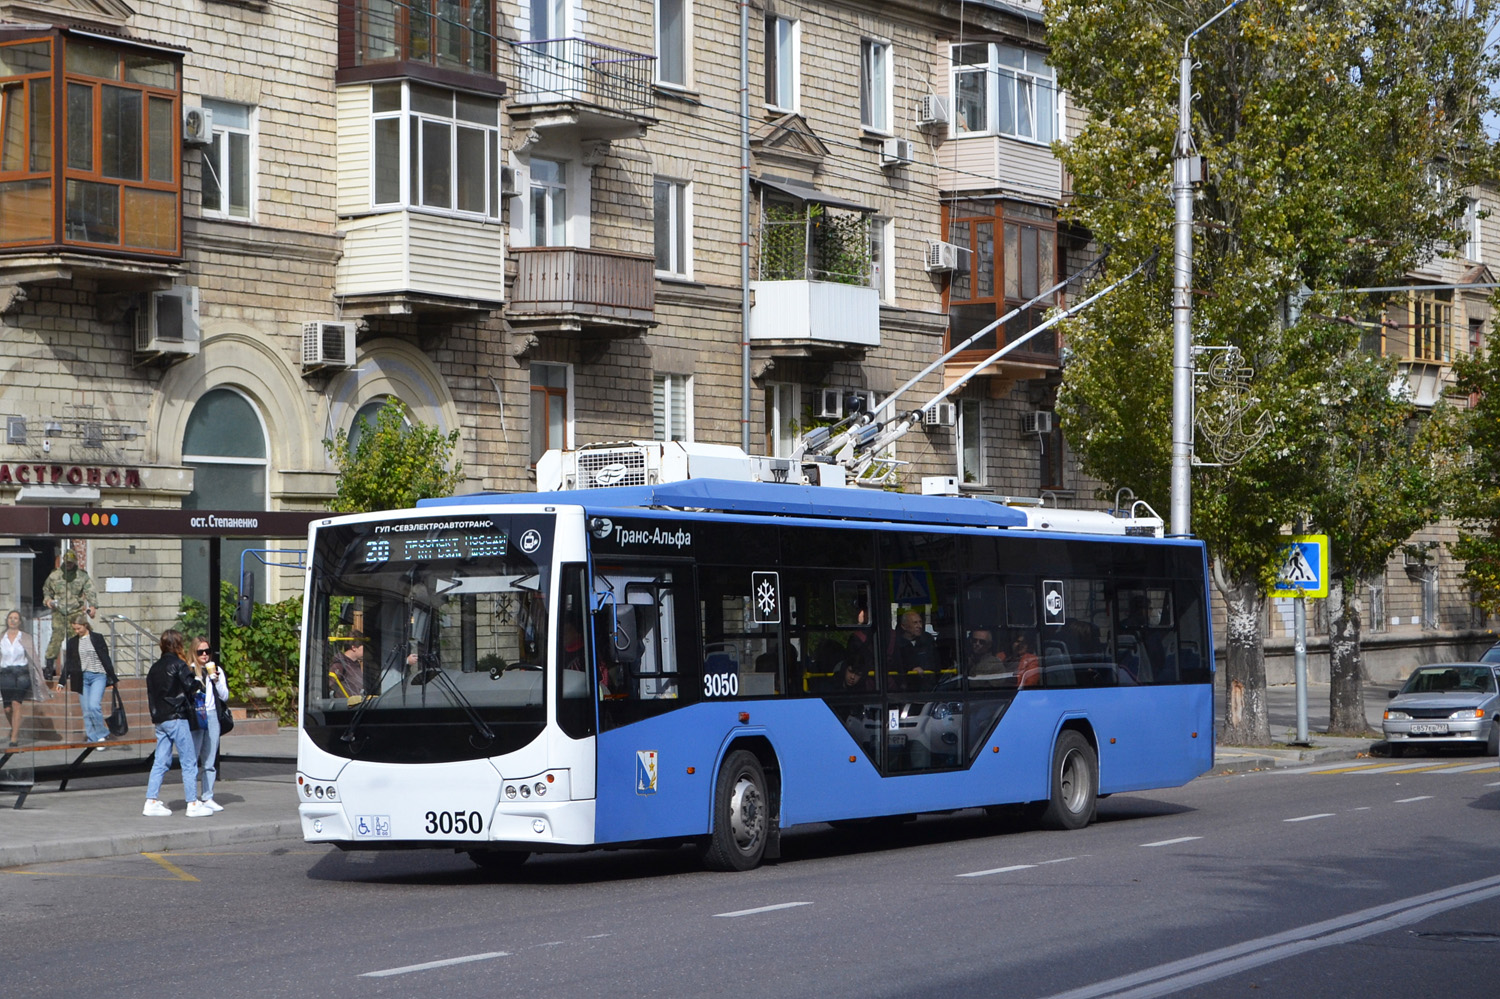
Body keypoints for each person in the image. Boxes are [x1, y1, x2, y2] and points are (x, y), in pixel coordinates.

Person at [143, 629, 207, 818]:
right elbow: (191, 687)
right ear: (178, 644)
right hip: (177, 717)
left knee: (160, 761)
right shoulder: (179, 665)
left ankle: (151, 801)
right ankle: (192, 803)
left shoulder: (154, 668)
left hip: (160, 719)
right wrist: (198, 680)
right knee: (188, 761)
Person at [58, 613, 116, 745]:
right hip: (82, 678)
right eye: (74, 629)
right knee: (86, 710)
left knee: (94, 706)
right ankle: (92, 738)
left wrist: (112, 678)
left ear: (85, 625)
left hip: (98, 675)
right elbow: (69, 662)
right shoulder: (73, 642)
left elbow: (105, 658)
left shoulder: (97, 638)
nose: (76, 631)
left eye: (78, 628)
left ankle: (101, 734)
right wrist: (62, 681)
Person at [42, 550, 97, 678]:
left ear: (75, 562)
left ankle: (73, 667)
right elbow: (46, 590)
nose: (69, 565)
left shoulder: (82, 576)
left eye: (71, 563)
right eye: (67, 562)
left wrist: (93, 606)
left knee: (77, 639)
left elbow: (90, 590)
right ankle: (49, 667)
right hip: (59, 611)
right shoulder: (55, 575)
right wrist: (48, 600)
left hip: (75, 611)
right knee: (56, 638)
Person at [190, 637, 229, 813]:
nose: (205, 655)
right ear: (194, 653)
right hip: (197, 715)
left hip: (212, 714)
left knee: (210, 759)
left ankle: (207, 796)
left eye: (208, 651)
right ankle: (192, 797)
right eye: (200, 652)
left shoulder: (216, 670)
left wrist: (216, 681)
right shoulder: (190, 670)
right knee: (193, 758)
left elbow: (225, 696)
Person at [2, 610, 49, 748]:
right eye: (10, 618)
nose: (13, 620)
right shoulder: (2, 637)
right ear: (7, 620)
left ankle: (14, 739)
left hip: (22, 673)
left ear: (20, 622)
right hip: (5, 673)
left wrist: (39, 675)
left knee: (16, 703)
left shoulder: (26, 637)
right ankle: (15, 729)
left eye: (15, 618)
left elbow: (34, 657)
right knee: (7, 708)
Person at [890, 608, 939, 688]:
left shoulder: (927, 640)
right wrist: (911, 669)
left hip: (928, 686)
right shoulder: (896, 644)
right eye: (915, 623)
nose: (919, 626)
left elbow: (935, 662)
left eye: (920, 622)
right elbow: (896, 666)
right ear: (904, 626)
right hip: (907, 688)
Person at [329, 632, 367, 700]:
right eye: (364, 648)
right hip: (346, 705)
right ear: (354, 648)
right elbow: (331, 687)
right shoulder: (339, 664)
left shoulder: (355, 664)